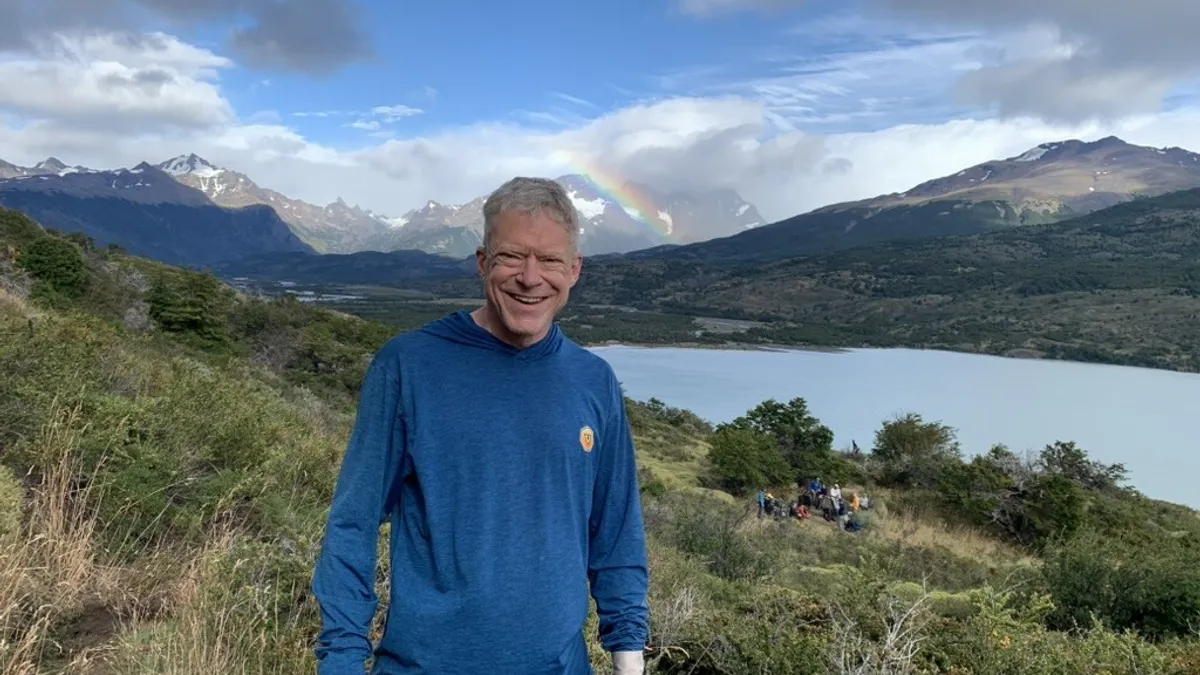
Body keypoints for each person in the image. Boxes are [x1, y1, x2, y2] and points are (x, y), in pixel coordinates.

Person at [311, 177, 650, 675]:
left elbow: (616, 532)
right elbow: (353, 524)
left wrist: (628, 658)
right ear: (483, 262)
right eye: (512, 256)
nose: (530, 278)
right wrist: (340, 660)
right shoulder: (409, 365)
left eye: (551, 260)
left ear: (574, 270)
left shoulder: (593, 381)